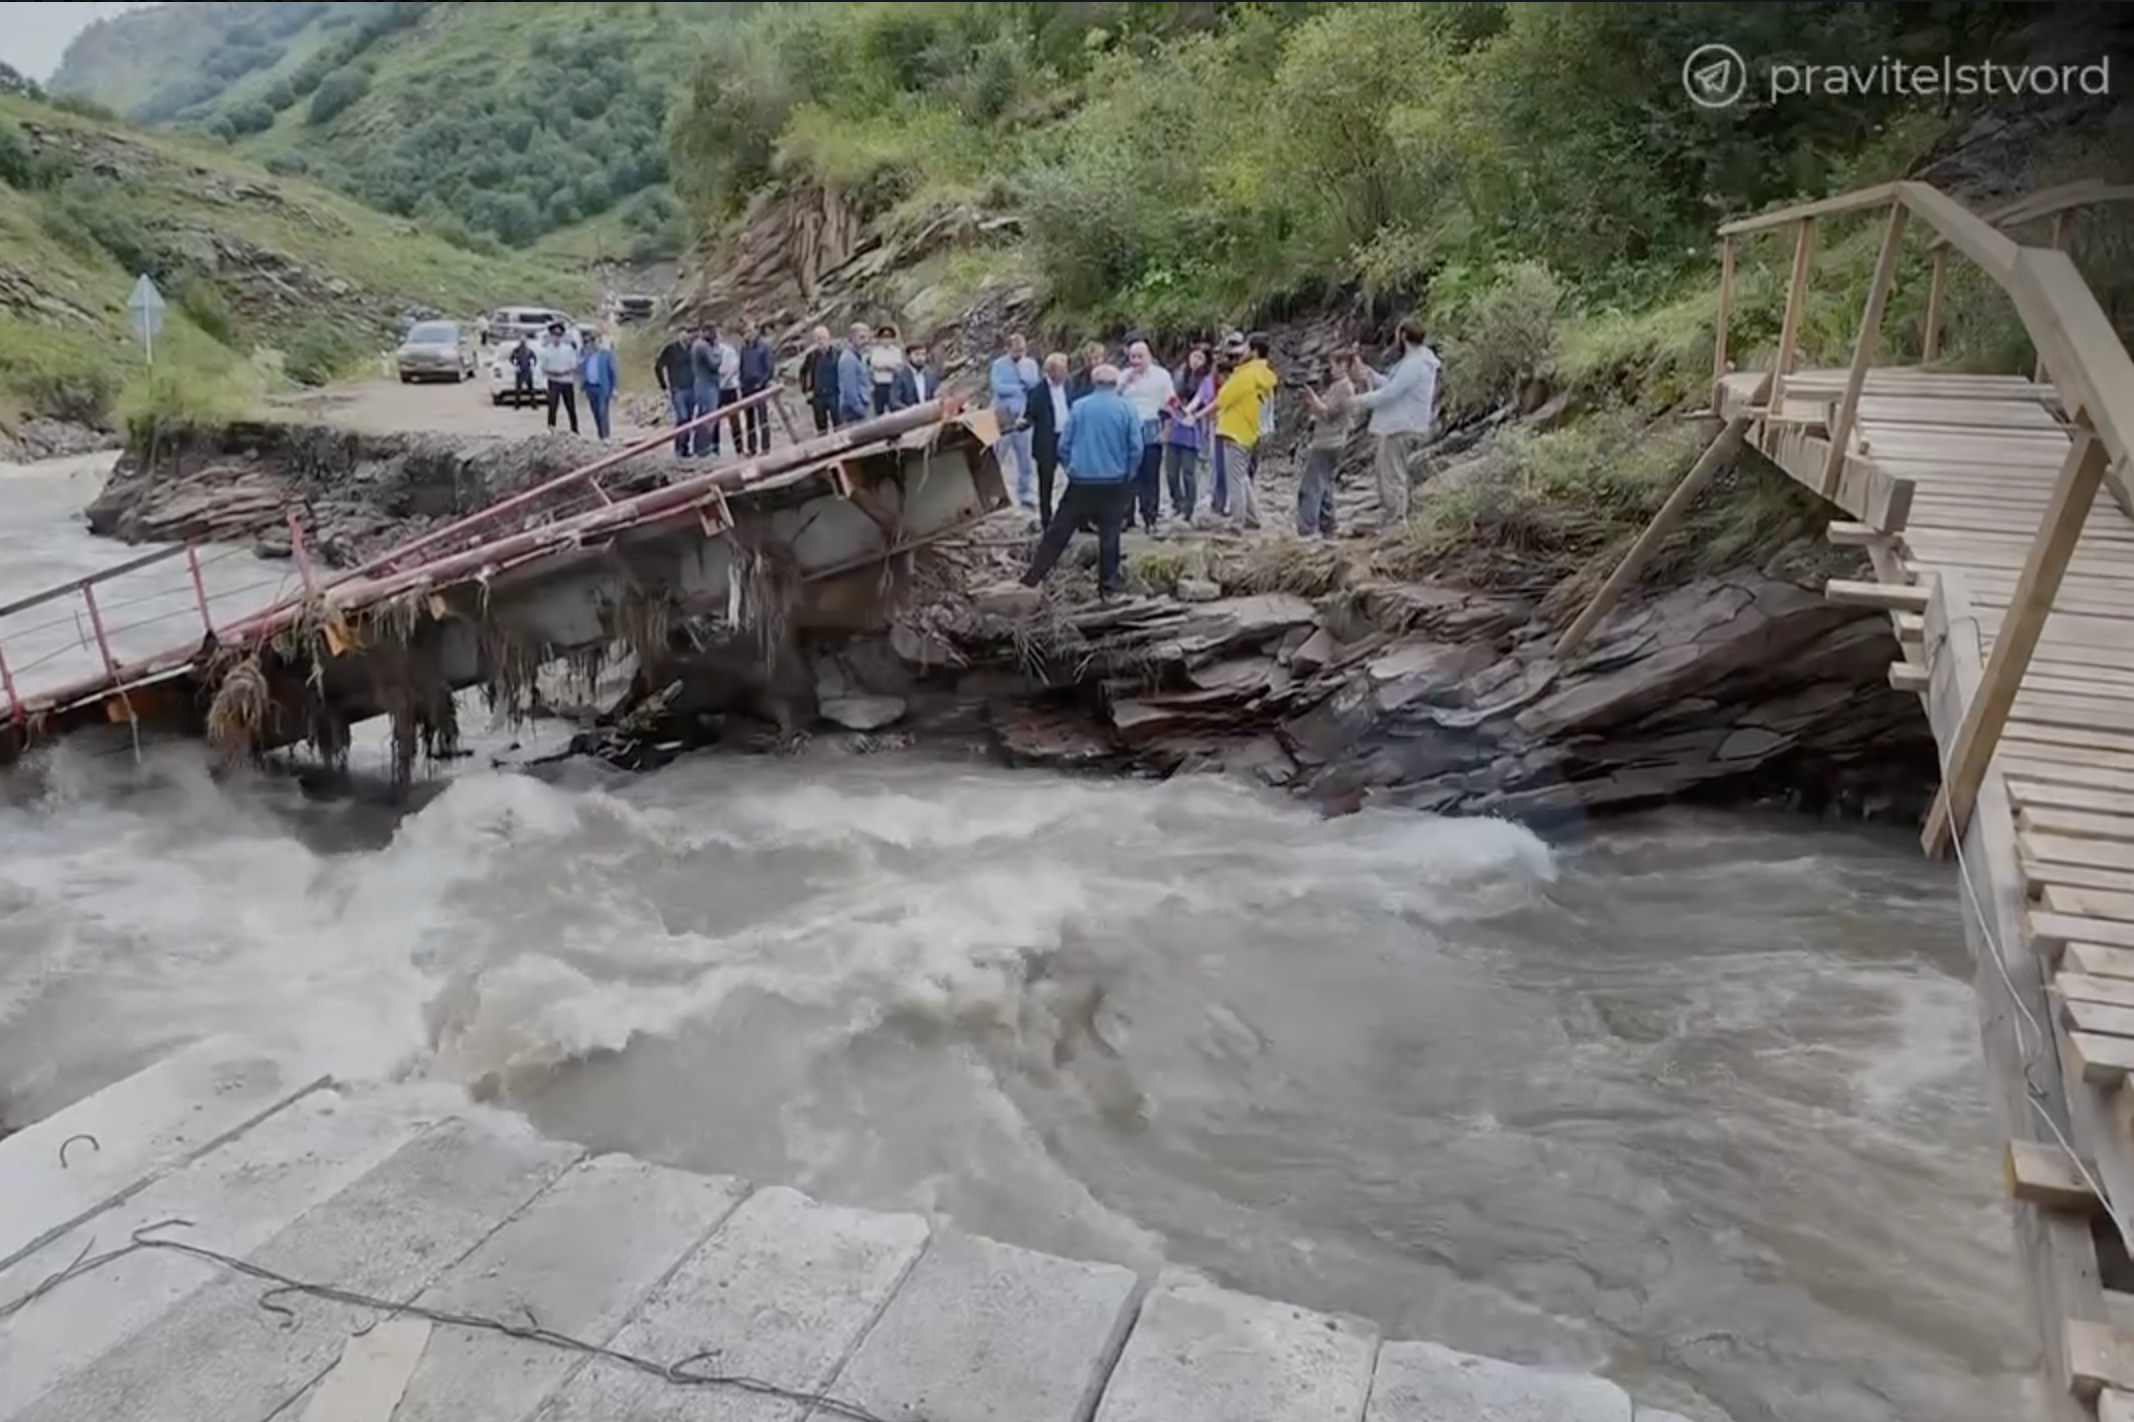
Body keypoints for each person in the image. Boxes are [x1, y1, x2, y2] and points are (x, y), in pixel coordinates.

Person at [1021, 364, 1140, 598]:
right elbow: (1136, 447)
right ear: (1115, 384)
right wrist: (1129, 472)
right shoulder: (1127, 408)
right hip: (1114, 480)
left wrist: (1070, 468)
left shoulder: (1079, 407)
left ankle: (1033, 576)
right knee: (1110, 534)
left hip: (1082, 481)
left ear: (1094, 382)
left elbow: (1064, 445)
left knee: (1059, 530)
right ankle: (1108, 587)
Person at [1351, 316, 1441, 521]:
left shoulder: (1414, 363)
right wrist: (1372, 375)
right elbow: (1394, 386)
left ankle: (1396, 519)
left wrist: (1356, 401)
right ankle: (1400, 516)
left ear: (1403, 336)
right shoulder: (1420, 360)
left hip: (1403, 426)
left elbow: (1390, 393)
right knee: (1391, 472)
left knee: (1392, 475)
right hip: (1409, 424)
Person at [1298, 347, 1374, 537]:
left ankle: (1306, 528)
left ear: (1343, 365)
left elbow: (1329, 412)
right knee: (1324, 484)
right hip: (1328, 439)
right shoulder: (1337, 386)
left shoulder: (1345, 388)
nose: (1330, 369)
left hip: (1328, 442)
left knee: (1311, 486)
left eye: (1333, 364)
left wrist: (1314, 401)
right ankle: (1328, 524)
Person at [1211, 332, 1276, 529]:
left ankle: (1236, 521)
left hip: (1237, 430)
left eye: (1245, 348)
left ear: (1254, 351)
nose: (1241, 352)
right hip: (1256, 431)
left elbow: (1223, 398)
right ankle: (1253, 517)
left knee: (1236, 479)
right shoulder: (1265, 375)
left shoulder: (1246, 374)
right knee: (1243, 476)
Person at [1117, 341, 1173, 532]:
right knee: (1128, 474)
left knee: (1150, 475)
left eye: (1140, 357)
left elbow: (1170, 404)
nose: (1136, 361)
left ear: (1149, 356)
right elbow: (1113, 399)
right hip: (1128, 428)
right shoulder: (1123, 376)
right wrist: (1125, 383)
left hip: (1151, 426)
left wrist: (1167, 430)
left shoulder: (1161, 375)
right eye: (1133, 357)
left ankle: (1150, 517)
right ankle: (1127, 516)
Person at [987, 332, 1040, 512]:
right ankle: (993, 495)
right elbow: (998, 387)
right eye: (1016, 351)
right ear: (1007, 349)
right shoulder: (998, 365)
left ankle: (1025, 495)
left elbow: (1034, 385)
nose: (1019, 354)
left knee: (1025, 459)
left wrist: (1023, 385)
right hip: (1003, 414)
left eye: (1022, 350)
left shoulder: (1030, 364)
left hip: (1023, 415)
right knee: (997, 456)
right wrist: (1019, 388)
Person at [1164, 346, 1212, 523]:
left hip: (1193, 427)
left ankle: (1188, 508)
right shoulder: (1179, 374)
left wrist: (1190, 412)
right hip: (1175, 425)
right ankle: (1176, 501)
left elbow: (1201, 399)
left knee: (1188, 472)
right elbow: (1169, 394)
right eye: (1194, 356)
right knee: (1170, 471)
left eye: (1200, 358)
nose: (1196, 361)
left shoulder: (1206, 380)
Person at [1027, 352, 1071, 527]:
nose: (1066, 374)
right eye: (1062, 371)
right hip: (1047, 442)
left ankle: (1077, 517)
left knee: (1078, 478)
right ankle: (1047, 520)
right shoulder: (1037, 391)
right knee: (1046, 483)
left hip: (1067, 438)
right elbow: (1029, 414)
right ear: (1051, 372)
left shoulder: (1069, 385)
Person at [653, 329, 694, 455]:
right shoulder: (671, 349)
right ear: (679, 336)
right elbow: (658, 366)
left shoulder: (693, 349)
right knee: (682, 417)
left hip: (691, 388)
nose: (686, 337)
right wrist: (663, 385)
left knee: (689, 419)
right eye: (683, 335)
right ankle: (679, 447)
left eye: (688, 335)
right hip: (677, 389)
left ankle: (685, 447)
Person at [738, 323, 775, 455]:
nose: (747, 333)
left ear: (756, 331)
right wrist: (741, 382)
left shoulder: (764, 347)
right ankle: (752, 447)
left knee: (763, 418)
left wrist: (762, 383)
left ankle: (766, 447)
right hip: (746, 387)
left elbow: (769, 367)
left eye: (749, 330)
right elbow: (741, 366)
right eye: (745, 331)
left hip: (760, 386)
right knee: (749, 420)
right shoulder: (744, 348)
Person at [538, 322, 579, 434]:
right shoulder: (546, 351)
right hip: (554, 381)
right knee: (552, 407)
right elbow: (543, 368)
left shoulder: (568, 349)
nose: (556, 338)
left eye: (558, 335)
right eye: (554, 335)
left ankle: (574, 429)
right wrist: (553, 373)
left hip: (566, 381)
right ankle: (551, 428)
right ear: (551, 336)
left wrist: (564, 372)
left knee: (570, 407)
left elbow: (574, 366)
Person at [799, 325, 840, 434]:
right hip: (818, 396)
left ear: (829, 339)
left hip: (834, 394)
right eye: (818, 339)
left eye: (823, 338)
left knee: (839, 424)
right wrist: (806, 390)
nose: (821, 342)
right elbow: (803, 373)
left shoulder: (837, 354)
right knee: (821, 427)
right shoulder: (811, 356)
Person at [688, 325, 721, 457]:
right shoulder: (703, 346)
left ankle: (699, 447)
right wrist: (718, 351)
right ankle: (703, 449)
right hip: (707, 385)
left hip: (701, 383)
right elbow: (714, 363)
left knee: (702, 415)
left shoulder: (697, 345)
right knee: (708, 416)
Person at [579, 328, 618, 442]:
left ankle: (606, 436)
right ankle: (600, 435)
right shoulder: (586, 354)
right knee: (595, 412)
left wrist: (614, 388)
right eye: (591, 341)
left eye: (595, 341)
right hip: (590, 387)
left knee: (603, 412)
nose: (593, 344)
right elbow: (580, 369)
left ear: (599, 342)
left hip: (602, 387)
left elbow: (613, 372)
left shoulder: (606, 355)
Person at [837, 322, 872, 426]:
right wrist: (859, 409)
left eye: (867, 337)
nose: (865, 341)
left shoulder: (859, 357)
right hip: (853, 409)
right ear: (851, 338)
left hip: (863, 403)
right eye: (861, 337)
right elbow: (849, 388)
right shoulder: (848, 359)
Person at [868, 324, 903, 416]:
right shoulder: (875, 351)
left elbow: (898, 368)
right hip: (879, 384)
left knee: (894, 409)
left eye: (888, 337)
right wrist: (888, 366)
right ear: (880, 339)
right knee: (878, 411)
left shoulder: (896, 351)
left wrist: (885, 366)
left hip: (892, 384)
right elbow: (874, 365)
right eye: (884, 337)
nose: (886, 340)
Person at [889, 341, 934, 410]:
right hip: (908, 416)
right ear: (908, 356)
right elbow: (894, 401)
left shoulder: (930, 374)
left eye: (923, 355)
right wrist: (911, 411)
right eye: (917, 354)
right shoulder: (900, 375)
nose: (920, 358)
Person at [508, 335, 537, 409]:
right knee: (518, 390)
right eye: (522, 341)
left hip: (527, 370)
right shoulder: (516, 350)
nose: (523, 343)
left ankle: (533, 405)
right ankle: (517, 405)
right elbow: (511, 358)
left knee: (531, 390)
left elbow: (534, 358)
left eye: (524, 341)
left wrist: (532, 365)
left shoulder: (529, 350)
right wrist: (515, 364)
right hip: (520, 371)